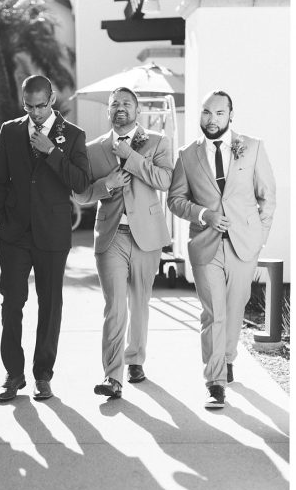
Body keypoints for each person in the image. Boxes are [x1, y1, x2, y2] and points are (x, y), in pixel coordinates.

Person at [168, 90, 276, 409]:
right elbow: (175, 200)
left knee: (235, 307)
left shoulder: (253, 147)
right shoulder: (187, 155)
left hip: (244, 245)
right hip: (206, 245)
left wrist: (258, 238)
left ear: (230, 115)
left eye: (218, 113)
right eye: (206, 112)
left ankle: (228, 357)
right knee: (213, 313)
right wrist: (204, 214)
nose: (211, 119)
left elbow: (267, 197)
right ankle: (215, 382)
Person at [0, 74, 89, 402]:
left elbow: (81, 182)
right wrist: (3, 216)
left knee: (50, 305)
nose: (34, 112)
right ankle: (13, 374)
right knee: (11, 304)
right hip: (14, 235)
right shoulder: (9, 130)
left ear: (53, 99)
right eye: (28, 106)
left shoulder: (73, 135)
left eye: (40, 106)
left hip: (52, 233)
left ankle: (42, 375)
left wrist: (52, 153)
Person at [75, 86, 173, 399]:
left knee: (139, 302)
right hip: (111, 235)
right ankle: (112, 376)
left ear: (137, 110)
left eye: (127, 103)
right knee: (115, 306)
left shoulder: (157, 141)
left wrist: (130, 157)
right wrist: (106, 184)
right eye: (115, 103)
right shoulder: (92, 149)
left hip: (147, 236)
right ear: (108, 110)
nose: (120, 107)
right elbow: (80, 194)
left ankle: (135, 360)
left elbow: (164, 180)